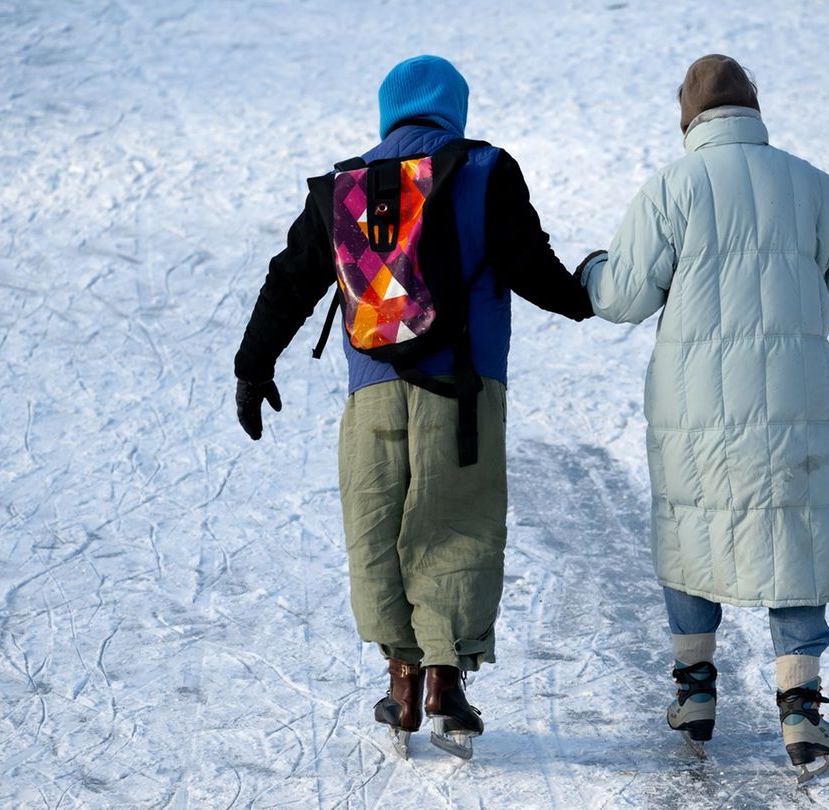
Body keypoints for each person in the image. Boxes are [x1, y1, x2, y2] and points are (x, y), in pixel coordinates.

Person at [233, 54, 592, 760]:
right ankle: (445, 686)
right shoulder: (484, 169)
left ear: (387, 111)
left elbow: (290, 278)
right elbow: (531, 265)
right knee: (457, 526)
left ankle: (401, 685)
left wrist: (253, 367)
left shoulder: (346, 186)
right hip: (465, 390)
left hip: (372, 394)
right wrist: (586, 297)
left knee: (378, 529)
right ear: (454, 108)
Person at [577, 54, 829, 780]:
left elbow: (622, 298)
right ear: (754, 109)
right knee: (793, 532)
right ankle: (801, 712)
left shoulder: (671, 187)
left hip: (691, 407)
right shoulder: (810, 185)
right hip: (790, 400)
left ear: (688, 119)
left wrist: (593, 269)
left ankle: (694, 695)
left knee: (691, 524)